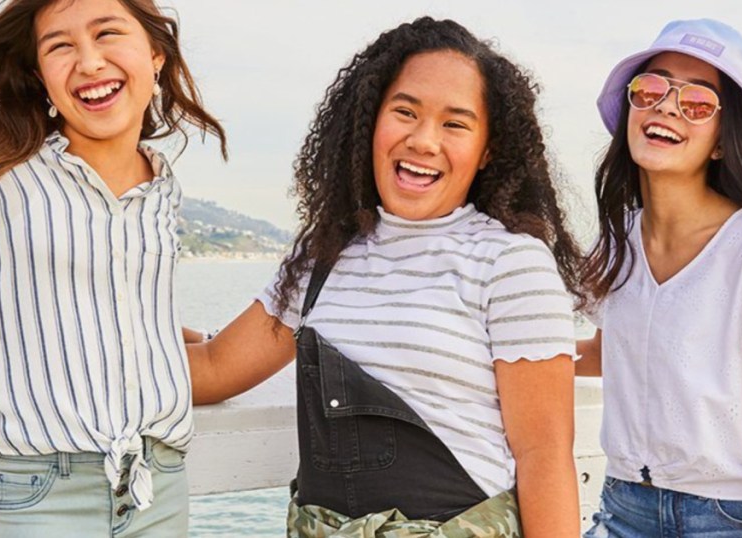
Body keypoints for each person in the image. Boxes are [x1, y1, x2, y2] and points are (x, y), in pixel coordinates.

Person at [188, 17, 583, 537]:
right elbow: (215, 368)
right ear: (370, 120)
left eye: (455, 124)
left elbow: (544, 455)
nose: (423, 140)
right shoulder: (322, 257)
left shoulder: (510, 263)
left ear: (488, 150)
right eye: (405, 112)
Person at [0, 0, 226, 535]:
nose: (89, 61)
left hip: (157, 478)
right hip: (36, 485)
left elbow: (116, 300)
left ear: (156, 54)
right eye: (60, 46)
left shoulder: (163, 189)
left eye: (107, 33)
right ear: (39, 74)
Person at [576, 18, 742, 538]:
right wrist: (504, 353)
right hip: (623, 506)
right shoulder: (618, 238)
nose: (666, 106)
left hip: (724, 517)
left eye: (698, 103)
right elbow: (609, 348)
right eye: (652, 88)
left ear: (721, 143)